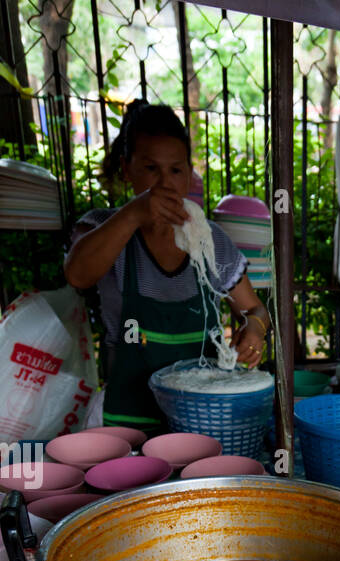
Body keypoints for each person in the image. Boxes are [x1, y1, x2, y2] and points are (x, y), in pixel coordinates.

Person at [64, 99, 271, 434]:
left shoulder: (210, 241)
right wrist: (133, 213)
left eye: (176, 170)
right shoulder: (104, 228)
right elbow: (77, 274)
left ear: (189, 174)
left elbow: (255, 310)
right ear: (126, 168)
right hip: (128, 424)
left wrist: (255, 331)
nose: (164, 183)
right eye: (150, 169)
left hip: (200, 421)